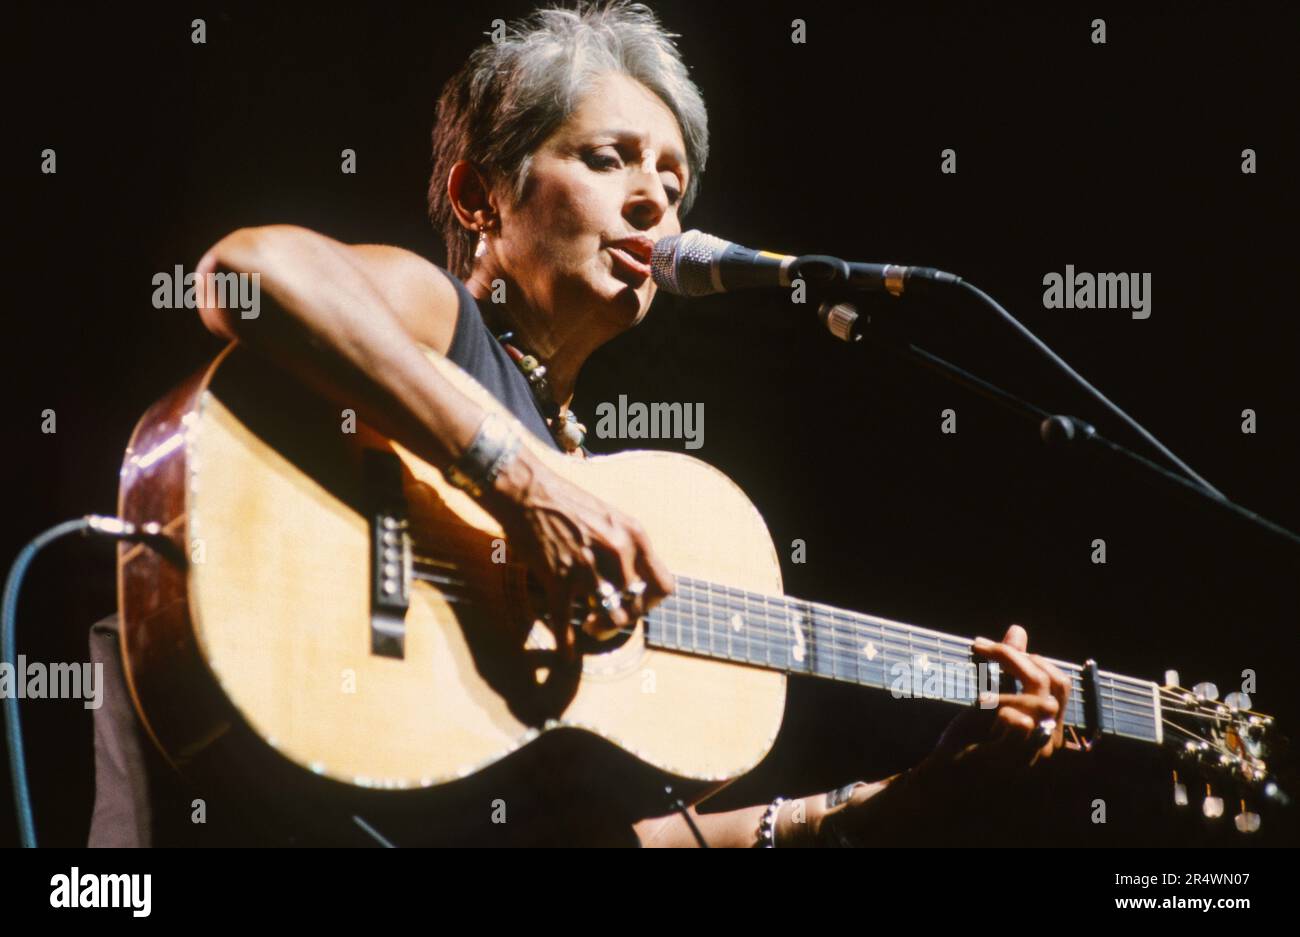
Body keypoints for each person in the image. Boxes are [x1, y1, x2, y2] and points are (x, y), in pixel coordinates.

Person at [90, 0, 1073, 847]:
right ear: (481, 197)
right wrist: (514, 479)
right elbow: (250, 273)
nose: (653, 198)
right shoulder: (441, 324)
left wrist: (903, 799)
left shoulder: (596, 494)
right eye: (608, 161)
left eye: (675, 183)